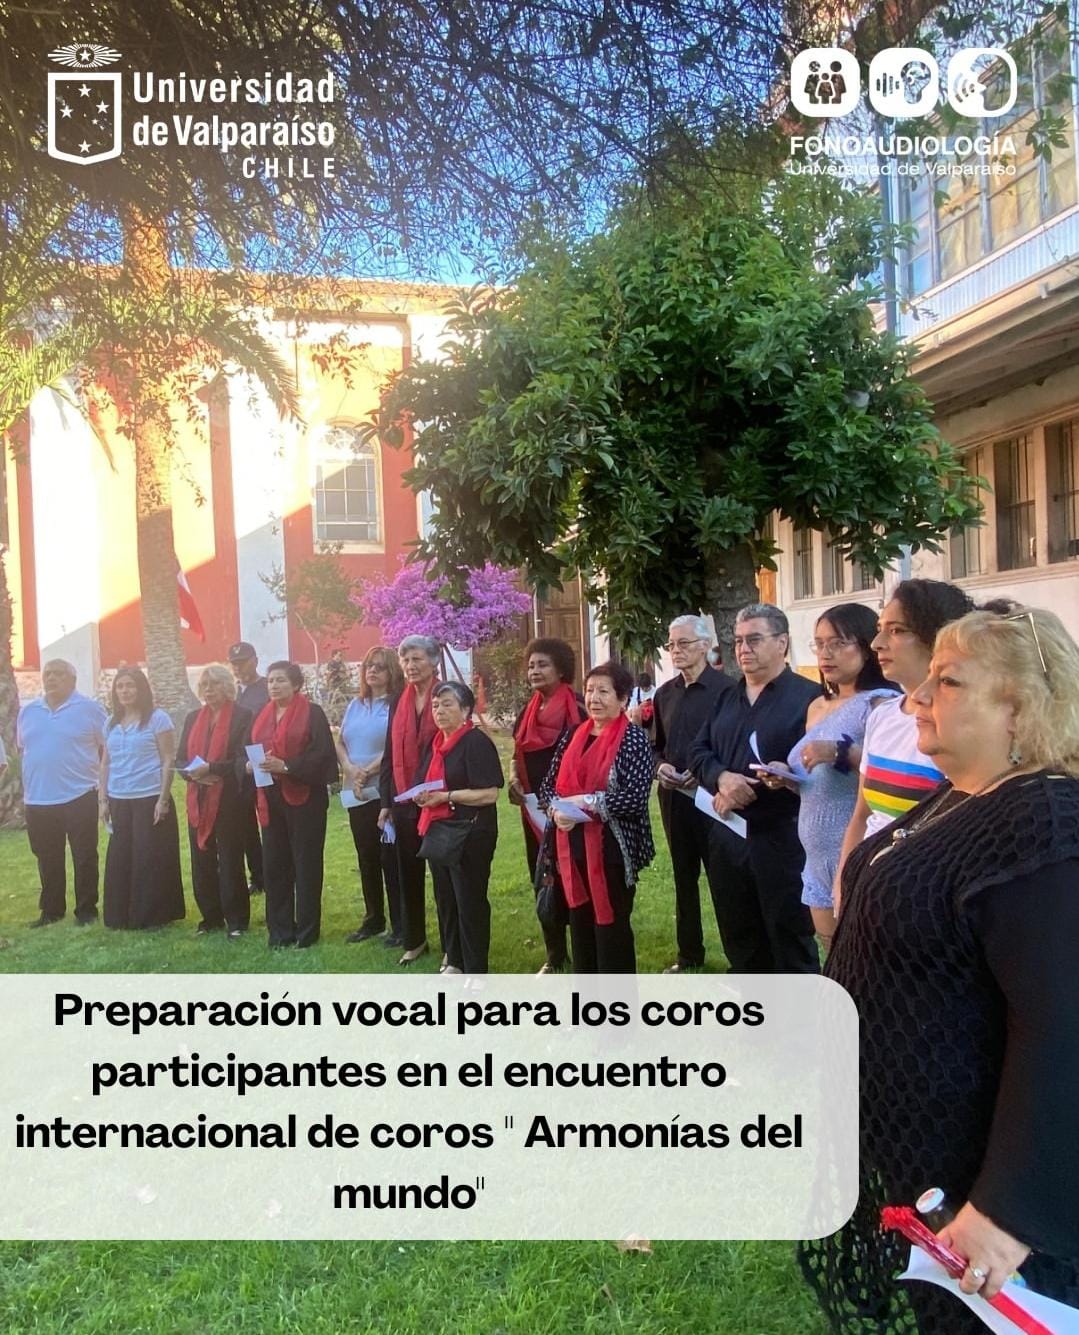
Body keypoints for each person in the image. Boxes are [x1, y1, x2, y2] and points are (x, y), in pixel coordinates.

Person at [803, 607, 1079, 1332]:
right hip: (925, 1166)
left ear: (1020, 706)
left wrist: (1007, 1212)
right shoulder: (962, 795)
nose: (917, 698)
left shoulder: (1043, 824)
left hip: (984, 1199)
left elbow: (1062, 1026)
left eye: (948, 682)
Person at [687, 603, 821, 974]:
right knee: (740, 940)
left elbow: (821, 768)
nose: (743, 649)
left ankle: (799, 1014)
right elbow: (697, 751)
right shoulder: (727, 697)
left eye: (755, 640)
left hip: (782, 838)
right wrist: (722, 778)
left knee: (790, 942)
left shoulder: (810, 698)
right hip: (727, 835)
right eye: (738, 641)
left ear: (782, 643)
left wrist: (787, 774)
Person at [757, 604, 896, 952]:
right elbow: (819, 784)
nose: (825, 654)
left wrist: (841, 752)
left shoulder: (881, 703)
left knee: (864, 955)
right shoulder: (817, 705)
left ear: (865, 646)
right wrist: (787, 777)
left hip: (855, 847)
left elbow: (891, 770)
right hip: (815, 854)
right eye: (819, 644)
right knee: (832, 954)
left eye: (837, 643)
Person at [832, 579, 974, 903]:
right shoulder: (883, 716)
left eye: (896, 630)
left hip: (922, 900)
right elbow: (862, 815)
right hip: (868, 889)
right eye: (879, 630)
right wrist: (844, 884)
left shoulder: (959, 726)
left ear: (937, 636)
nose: (877, 644)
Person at [539, 661, 654, 973]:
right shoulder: (573, 735)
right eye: (590, 691)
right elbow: (547, 786)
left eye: (604, 691)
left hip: (611, 849)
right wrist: (556, 810)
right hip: (570, 846)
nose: (594, 698)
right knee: (580, 925)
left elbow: (634, 798)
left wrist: (587, 803)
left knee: (612, 927)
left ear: (623, 699)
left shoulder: (633, 739)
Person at [652, 615, 734, 972]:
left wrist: (705, 773)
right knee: (683, 876)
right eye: (671, 644)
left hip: (713, 798)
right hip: (674, 798)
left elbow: (733, 747)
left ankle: (738, 958)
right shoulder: (664, 694)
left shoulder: (727, 691)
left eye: (683, 643)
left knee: (724, 879)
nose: (676, 651)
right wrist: (660, 767)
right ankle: (688, 954)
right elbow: (655, 746)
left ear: (705, 645)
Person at [508, 637, 587, 973]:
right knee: (543, 878)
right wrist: (514, 779)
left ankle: (584, 952)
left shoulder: (579, 709)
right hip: (534, 813)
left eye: (542, 664)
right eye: (531, 666)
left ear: (561, 669)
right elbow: (516, 754)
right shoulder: (527, 712)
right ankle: (555, 955)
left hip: (569, 812)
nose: (534, 671)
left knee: (575, 878)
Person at [413, 682, 504, 974]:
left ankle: (476, 970)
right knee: (445, 899)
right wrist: (422, 795)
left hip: (471, 832)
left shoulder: (475, 742)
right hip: (440, 830)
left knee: (469, 901)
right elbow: (426, 781)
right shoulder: (436, 744)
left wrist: (446, 797)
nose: (439, 710)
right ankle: (454, 960)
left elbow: (490, 793)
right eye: (435, 705)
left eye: (447, 704)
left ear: (465, 710)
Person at [246, 660, 337, 948]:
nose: (274, 685)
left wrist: (286, 766)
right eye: (271, 681)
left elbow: (322, 755)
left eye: (281, 680)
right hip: (270, 796)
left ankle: (307, 931)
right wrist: (250, 765)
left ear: (296, 684)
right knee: (275, 864)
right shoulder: (261, 715)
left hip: (305, 797)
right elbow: (248, 749)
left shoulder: (313, 713)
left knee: (306, 864)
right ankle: (280, 931)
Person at [17, 659, 107, 927]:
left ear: (72, 680)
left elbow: (109, 747)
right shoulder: (28, 711)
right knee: (47, 857)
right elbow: (24, 748)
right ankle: (51, 910)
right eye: (47, 674)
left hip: (80, 794)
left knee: (84, 855)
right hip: (38, 799)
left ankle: (86, 910)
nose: (51, 678)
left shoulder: (90, 709)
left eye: (58, 674)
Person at [100, 667, 185, 930]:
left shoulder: (158, 719)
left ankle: (152, 916)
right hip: (118, 797)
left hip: (149, 797)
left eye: (130, 685)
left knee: (149, 858)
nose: (125, 691)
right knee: (120, 857)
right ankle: (120, 916)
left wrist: (163, 799)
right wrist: (102, 799)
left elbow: (168, 759)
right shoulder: (111, 723)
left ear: (141, 689)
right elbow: (106, 763)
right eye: (120, 686)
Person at [178, 664, 253, 939]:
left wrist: (212, 769)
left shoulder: (243, 716)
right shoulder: (192, 718)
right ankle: (210, 918)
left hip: (229, 798)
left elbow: (241, 759)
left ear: (227, 686)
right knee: (201, 859)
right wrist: (193, 775)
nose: (209, 690)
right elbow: (180, 759)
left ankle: (236, 921)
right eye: (205, 685)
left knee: (231, 859)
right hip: (198, 797)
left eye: (215, 684)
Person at [379, 634, 441, 964]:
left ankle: (452, 945)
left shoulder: (447, 695)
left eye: (417, 658)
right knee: (408, 874)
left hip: (438, 798)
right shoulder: (396, 702)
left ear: (434, 662)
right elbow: (389, 754)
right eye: (405, 660)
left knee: (444, 877)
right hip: (402, 800)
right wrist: (385, 803)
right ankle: (415, 940)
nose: (410, 665)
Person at [336, 645, 403, 944]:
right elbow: (340, 741)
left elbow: (396, 745)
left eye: (379, 666)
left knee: (390, 858)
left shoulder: (397, 704)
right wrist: (351, 769)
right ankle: (373, 919)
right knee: (366, 857)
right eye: (368, 666)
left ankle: (400, 924)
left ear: (392, 671)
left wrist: (368, 770)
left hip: (384, 791)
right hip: (356, 792)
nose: (372, 671)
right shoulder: (356, 704)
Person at [229, 641, 270, 897]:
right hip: (237, 764)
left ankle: (275, 871)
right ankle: (258, 875)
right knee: (245, 824)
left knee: (269, 819)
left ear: (254, 661)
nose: (238, 668)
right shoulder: (230, 691)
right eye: (234, 664)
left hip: (263, 759)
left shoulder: (267, 688)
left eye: (242, 662)